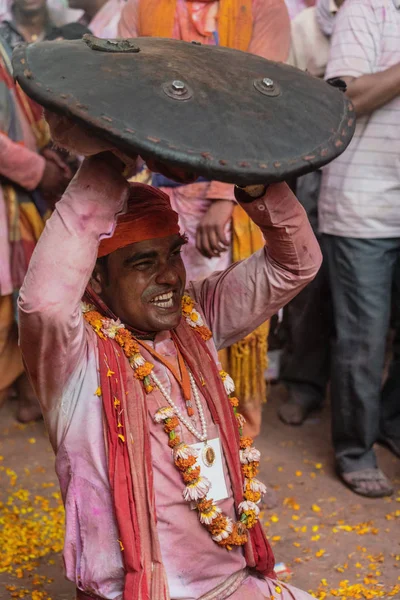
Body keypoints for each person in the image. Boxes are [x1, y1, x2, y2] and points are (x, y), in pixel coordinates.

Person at [18, 114, 322, 599]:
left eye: (172, 255)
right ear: (96, 281)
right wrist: (114, 154)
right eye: (142, 263)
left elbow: (296, 263)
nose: (169, 278)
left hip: (232, 579)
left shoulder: (196, 317)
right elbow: (44, 303)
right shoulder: (73, 354)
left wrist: (252, 180)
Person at [119, 0, 291, 438]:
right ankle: (167, 446)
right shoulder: (142, 4)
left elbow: (261, 101)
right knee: (147, 318)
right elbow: (122, 86)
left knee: (230, 320)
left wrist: (222, 196)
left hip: (230, 195)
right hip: (149, 191)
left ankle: (238, 447)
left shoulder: (263, 6)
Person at [319, 0, 400, 497]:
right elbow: (344, 98)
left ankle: (391, 422)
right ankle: (355, 448)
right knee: (363, 340)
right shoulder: (368, 7)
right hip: (364, 207)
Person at [0, 0, 71, 420]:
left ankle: (30, 386)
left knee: (39, 293)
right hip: (19, 184)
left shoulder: (68, 36)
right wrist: (36, 169)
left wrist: (51, 161)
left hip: (45, 187)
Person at [278, 0, 344, 426]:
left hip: (377, 174)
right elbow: (284, 103)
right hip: (316, 171)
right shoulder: (303, 28)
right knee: (310, 280)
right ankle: (303, 384)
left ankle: (358, 396)